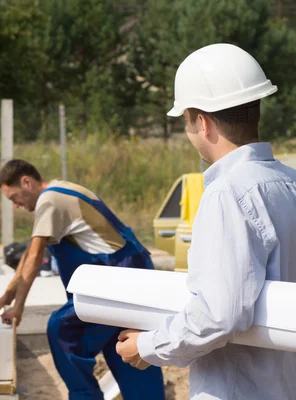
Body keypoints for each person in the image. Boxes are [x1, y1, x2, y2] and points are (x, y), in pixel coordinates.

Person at [115, 43, 296, 399]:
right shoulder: (290, 182)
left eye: (185, 121)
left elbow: (219, 314)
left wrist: (148, 346)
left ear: (202, 122)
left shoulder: (227, 194)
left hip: (241, 389)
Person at [0, 159, 165, 400]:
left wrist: (18, 307)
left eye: (13, 197)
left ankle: (85, 396)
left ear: (26, 182)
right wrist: (8, 295)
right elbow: (34, 249)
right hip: (131, 278)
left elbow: (33, 256)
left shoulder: (49, 201)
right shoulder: (61, 189)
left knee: (64, 330)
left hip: (118, 281)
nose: (16, 205)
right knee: (126, 346)